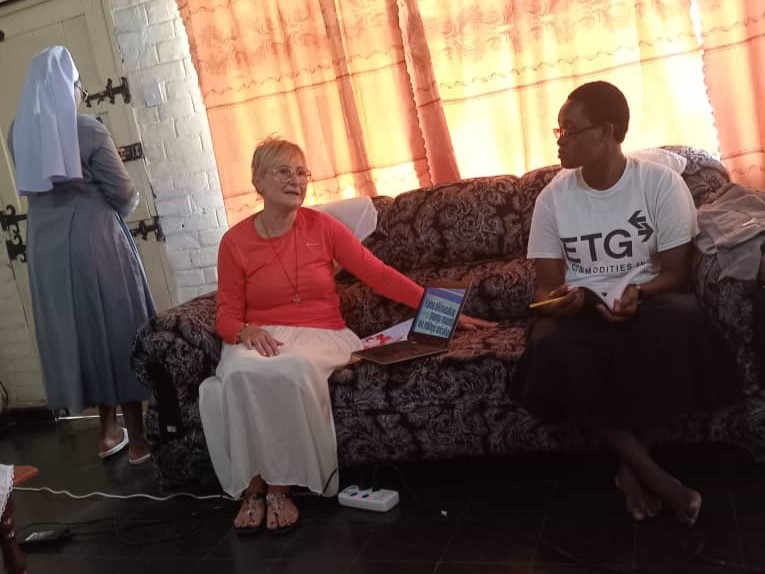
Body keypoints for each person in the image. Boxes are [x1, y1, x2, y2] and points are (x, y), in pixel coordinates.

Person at [200, 136, 494, 535]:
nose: (296, 180)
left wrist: (440, 308)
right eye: (283, 171)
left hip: (321, 334)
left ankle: (279, 488)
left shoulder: (323, 227)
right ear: (258, 181)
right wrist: (244, 330)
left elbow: (378, 274)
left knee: (290, 369)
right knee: (236, 373)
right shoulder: (234, 242)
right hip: (260, 335)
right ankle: (253, 487)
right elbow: (227, 315)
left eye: (301, 172)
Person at [513, 81, 738, 526]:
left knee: (685, 321)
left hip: (647, 300)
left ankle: (631, 472)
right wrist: (557, 302)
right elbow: (545, 288)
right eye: (558, 131)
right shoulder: (553, 198)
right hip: (581, 308)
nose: (560, 141)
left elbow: (677, 272)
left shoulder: (660, 184)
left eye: (570, 130)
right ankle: (653, 476)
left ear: (606, 132)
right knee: (550, 345)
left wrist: (641, 294)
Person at [8, 46, 155, 464]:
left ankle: (106, 433)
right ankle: (138, 441)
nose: (81, 94)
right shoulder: (87, 129)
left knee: (82, 335)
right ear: (67, 86)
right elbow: (123, 193)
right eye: (79, 86)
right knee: (121, 330)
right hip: (96, 242)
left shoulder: (17, 132)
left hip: (47, 251)